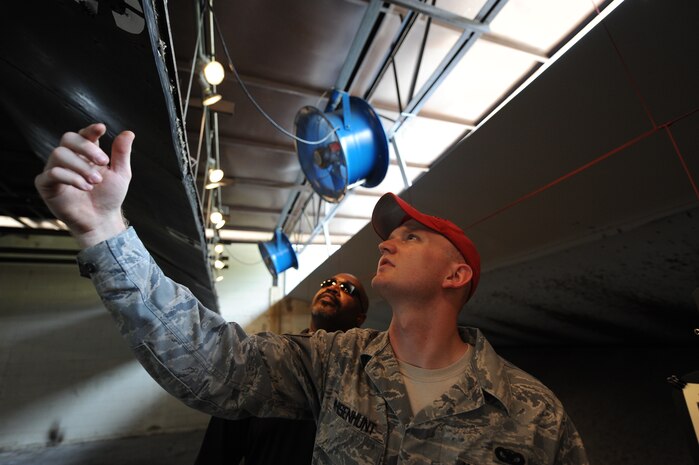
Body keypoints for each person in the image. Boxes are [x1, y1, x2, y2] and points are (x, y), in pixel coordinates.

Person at [36, 123, 589, 465]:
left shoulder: (532, 411)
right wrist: (103, 231)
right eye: (389, 238)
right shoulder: (333, 363)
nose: (388, 245)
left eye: (412, 237)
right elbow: (215, 365)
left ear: (456, 276)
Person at [194, 273, 369, 465]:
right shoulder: (272, 360)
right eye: (328, 282)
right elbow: (219, 447)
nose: (333, 287)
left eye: (348, 289)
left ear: (360, 317)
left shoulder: (364, 381)